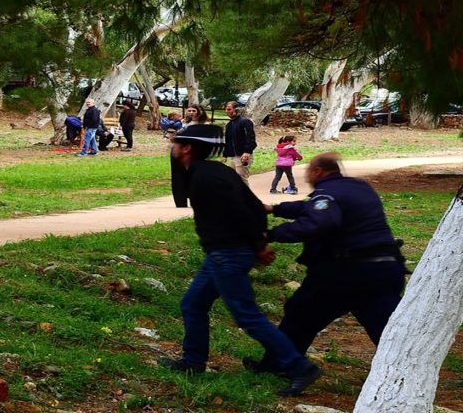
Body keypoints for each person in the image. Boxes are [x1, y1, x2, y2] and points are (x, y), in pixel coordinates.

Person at [164, 124, 322, 396]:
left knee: (247, 315)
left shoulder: (205, 178)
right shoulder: (214, 172)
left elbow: (242, 212)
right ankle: (193, 362)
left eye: (176, 142)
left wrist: (259, 244)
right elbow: (254, 205)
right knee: (193, 304)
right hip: (221, 254)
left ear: (187, 148)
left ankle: (300, 367)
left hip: (230, 254)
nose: (172, 147)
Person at [246, 152, 407, 376]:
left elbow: (318, 222)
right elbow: (309, 207)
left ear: (318, 172)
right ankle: (404, 372)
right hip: (384, 269)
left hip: (344, 272)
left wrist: (270, 235)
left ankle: (277, 365)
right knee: (386, 327)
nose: (308, 176)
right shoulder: (359, 187)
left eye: (309, 171)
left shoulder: (326, 193)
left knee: (300, 314)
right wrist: (276, 209)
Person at [171, 104, 212, 207]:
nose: (191, 113)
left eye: (194, 110)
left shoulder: (205, 124)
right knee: (178, 176)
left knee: (195, 175)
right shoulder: (183, 123)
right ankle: (180, 202)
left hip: (195, 151)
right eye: (189, 111)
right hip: (180, 151)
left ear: (199, 111)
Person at [223, 101, 257, 184]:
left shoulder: (245, 122)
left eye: (229, 109)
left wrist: (247, 152)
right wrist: (225, 155)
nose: (227, 111)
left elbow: (251, 138)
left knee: (241, 180)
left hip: (243, 155)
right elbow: (228, 140)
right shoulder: (229, 125)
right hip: (234, 157)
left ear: (236, 110)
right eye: (226, 109)